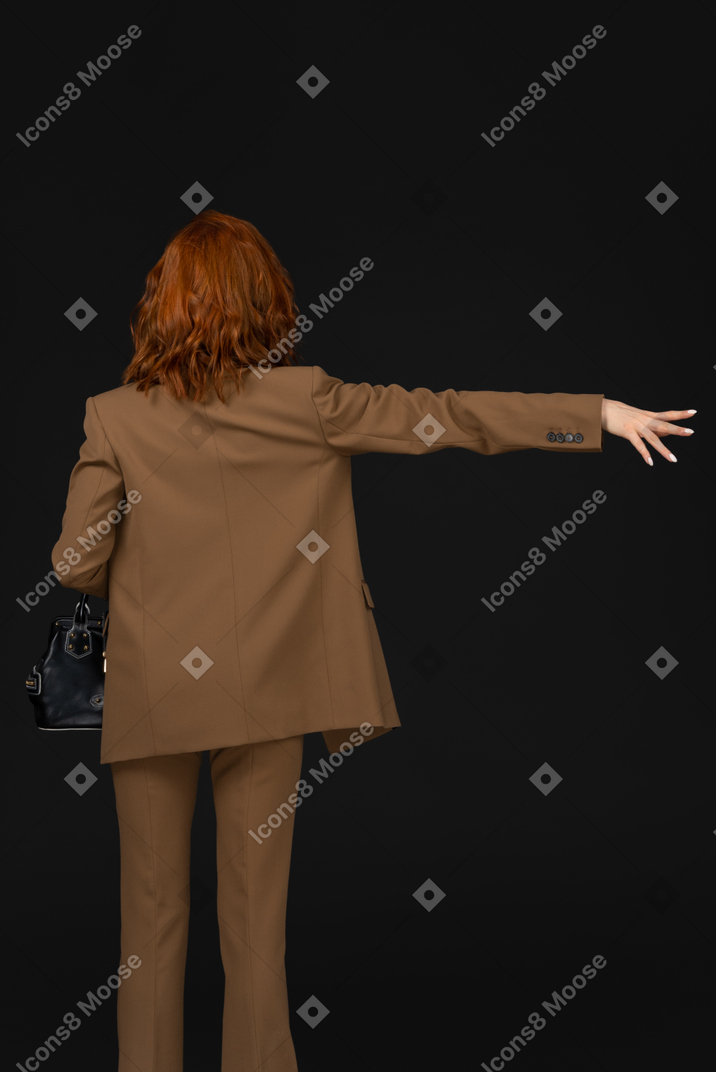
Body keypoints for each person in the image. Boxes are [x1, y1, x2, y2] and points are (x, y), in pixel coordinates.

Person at [49, 210, 696, 1072]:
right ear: (265, 302)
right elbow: (451, 416)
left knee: (152, 922)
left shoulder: (115, 417)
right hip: (269, 697)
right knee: (254, 925)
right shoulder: (311, 400)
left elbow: (74, 563)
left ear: (161, 308)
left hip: (154, 700)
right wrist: (596, 414)